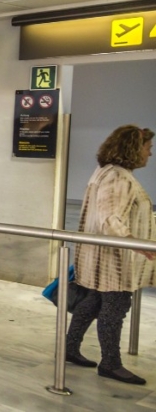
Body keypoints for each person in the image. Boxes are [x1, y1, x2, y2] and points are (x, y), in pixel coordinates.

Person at [66, 126, 154, 385]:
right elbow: (110, 219)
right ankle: (110, 364)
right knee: (115, 308)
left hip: (103, 255)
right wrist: (138, 245)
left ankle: (70, 348)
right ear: (133, 148)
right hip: (113, 258)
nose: (150, 154)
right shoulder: (118, 177)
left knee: (94, 302)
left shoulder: (106, 171)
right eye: (147, 148)